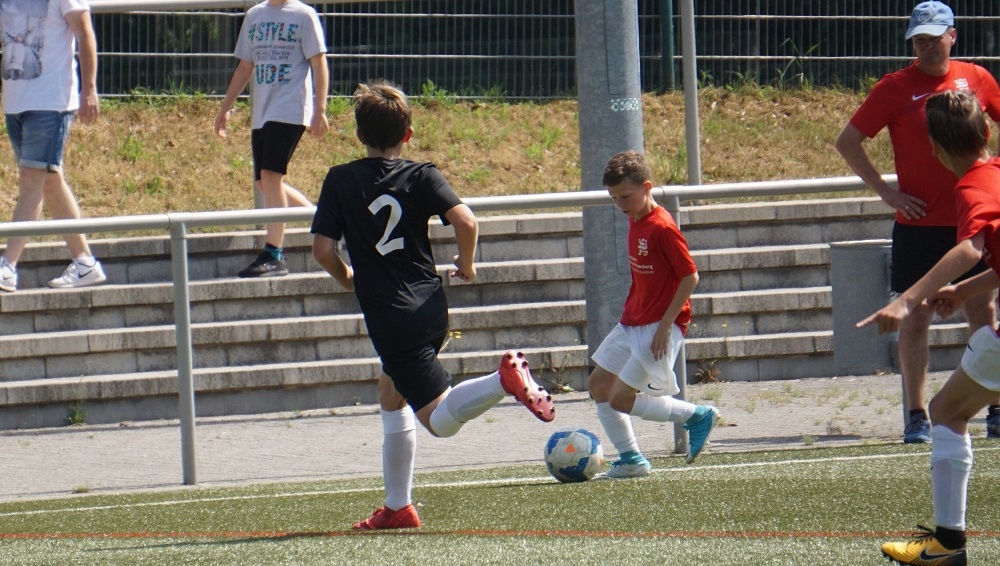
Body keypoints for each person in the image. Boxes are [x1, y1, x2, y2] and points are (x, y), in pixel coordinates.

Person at [310, 80, 556, 530]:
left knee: (440, 422)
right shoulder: (422, 174)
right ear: (408, 134)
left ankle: (503, 381)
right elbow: (466, 221)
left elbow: (323, 250)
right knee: (391, 392)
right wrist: (466, 262)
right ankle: (398, 507)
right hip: (430, 305)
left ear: (359, 135)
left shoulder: (340, 179)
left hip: (391, 316)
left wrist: (349, 279)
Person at [835, 0, 1000, 444]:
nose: (927, 46)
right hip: (920, 225)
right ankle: (916, 414)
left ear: (953, 36)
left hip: (974, 221)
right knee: (916, 318)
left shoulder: (977, 78)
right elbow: (848, 142)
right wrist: (888, 193)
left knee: (982, 308)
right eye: (919, 40)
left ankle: (994, 404)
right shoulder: (894, 87)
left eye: (935, 37)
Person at [858, 90, 1000, 566]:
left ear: (935, 150)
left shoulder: (971, 189)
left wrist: (906, 299)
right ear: (987, 131)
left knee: (946, 412)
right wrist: (964, 291)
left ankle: (946, 546)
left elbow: (970, 249)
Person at [586, 150, 719, 479]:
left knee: (620, 398)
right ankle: (631, 459)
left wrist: (665, 325)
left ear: (647, 187)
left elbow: (690, 277)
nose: (619, 204)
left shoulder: (662, 227)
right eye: (614, 198)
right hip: (633, 320)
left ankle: (696, 415)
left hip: (659, 326)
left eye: (625, 197)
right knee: (599, 385)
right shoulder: (635, 218)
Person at [215, 0, 329, 278]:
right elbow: (245, 66)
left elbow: (318, 63)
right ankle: (324, 223)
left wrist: (320, 110)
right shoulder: (255, 15)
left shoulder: (304, 15)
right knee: (263, 183)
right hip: (262, 112)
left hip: (290, 108)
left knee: (270, 176)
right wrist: (226, 107)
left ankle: (274, 254)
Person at [0, 0, 106, 292]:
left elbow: (85, 33)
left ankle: (7, 265)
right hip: (15, 103)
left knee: (31, 179)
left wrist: (89, 89)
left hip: (51, 102)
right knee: (49, 181)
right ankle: (85, 263)